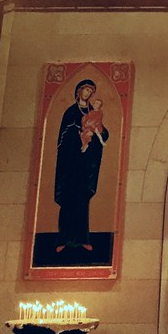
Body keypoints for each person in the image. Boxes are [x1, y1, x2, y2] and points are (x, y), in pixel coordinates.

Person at [54, 79, 108, 253]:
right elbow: (62, 139)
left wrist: (97, 133)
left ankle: (83, 239)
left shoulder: (95, 112)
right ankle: (63, 239)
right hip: (71, 164)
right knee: (68, 201)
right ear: (78, 92)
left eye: (90, 92)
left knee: (82, 202)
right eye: (85, 90)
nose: (87, 94)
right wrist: (77, 136)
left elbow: (103, 133)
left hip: (85, 165)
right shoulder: (70, 112)